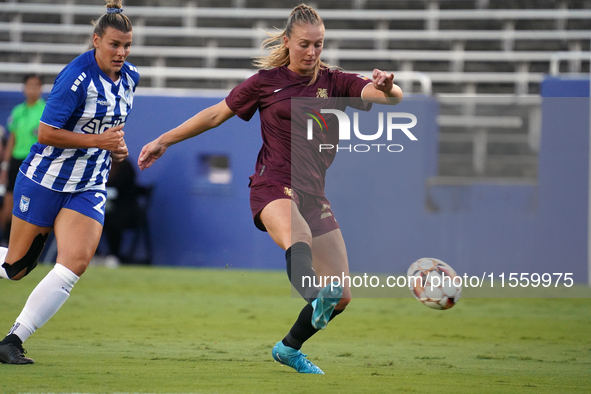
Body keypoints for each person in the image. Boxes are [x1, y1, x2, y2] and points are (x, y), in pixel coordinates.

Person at [138, 4, 402, 374]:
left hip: (313, 194)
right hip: (273, 185)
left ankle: (289, 348)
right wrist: (164, 140)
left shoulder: (335, 81)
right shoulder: (264, 83)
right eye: (304, 44)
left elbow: (390, 97)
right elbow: (215, 114)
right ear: (287, 42)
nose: (311, 52)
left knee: (341, 296)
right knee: (301, 238)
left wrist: (389, 87)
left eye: (319, 45)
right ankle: (313, 296)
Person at [0, 0, 138, 365]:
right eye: (114, 44)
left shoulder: (130, 79)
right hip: (45, 179)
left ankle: (13, 339)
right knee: (16, 268)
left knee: (75, 262)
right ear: (96, 40)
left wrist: (118, 146)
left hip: (88, 184)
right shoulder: (76, 77)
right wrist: (99, 141)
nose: (121, 52)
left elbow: (111, 127)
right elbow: (45, 133)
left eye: (127, 45)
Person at [0, 74, 45, 245]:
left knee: (31, 204)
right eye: (29, 85)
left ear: (41, 88)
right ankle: (6, 241)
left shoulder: (46, 110)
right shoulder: (18, 111)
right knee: (9, 202)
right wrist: (5, 166)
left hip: (35, 162)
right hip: (15, 162)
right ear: (24, 88)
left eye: (36, 85)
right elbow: (12, 139)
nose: (32, 89)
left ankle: (27, 245)